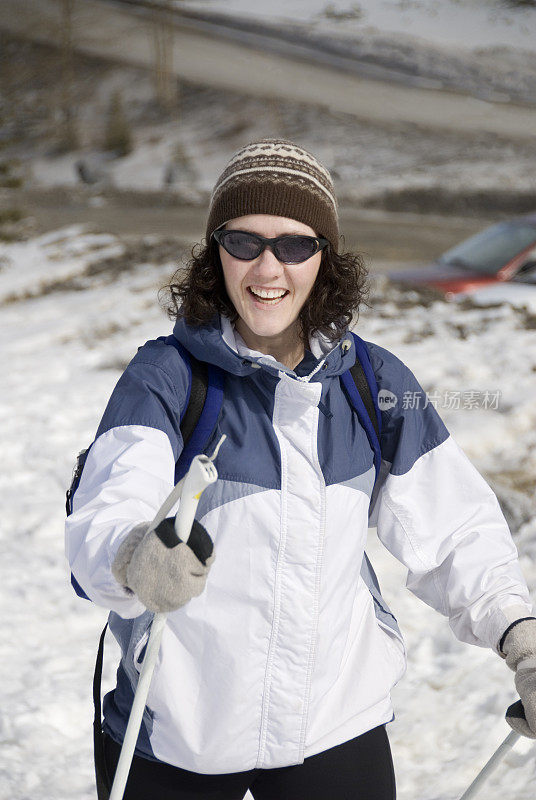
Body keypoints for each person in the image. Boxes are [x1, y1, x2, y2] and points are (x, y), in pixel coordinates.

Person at [65, 138, 536, 800]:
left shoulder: (372, 385)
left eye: (294, 245)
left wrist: (522, 640)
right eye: (243, 242)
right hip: (179, 731)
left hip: (334, 726)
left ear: (324, 258)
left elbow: (456, 530)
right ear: (215, 254)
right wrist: (131, 556)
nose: (268, 267)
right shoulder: (166, 379)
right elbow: (106, 509)